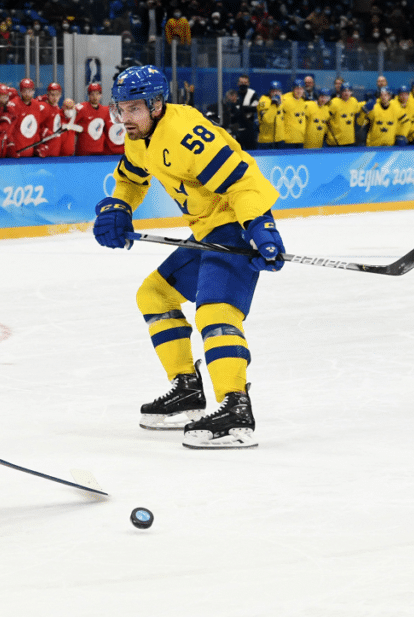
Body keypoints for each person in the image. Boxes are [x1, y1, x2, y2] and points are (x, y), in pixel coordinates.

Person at [91, 66, 284, 449]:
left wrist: (260, 227)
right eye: (119, 109)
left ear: (156, 104)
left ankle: (235, 407)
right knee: (154, 295)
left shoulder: (184, 134)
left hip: (235, 224)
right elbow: (130, 179)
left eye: (132, 109)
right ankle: (187, 389)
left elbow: (241, 180)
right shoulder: (139, 136)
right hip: (207, 232)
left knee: (216, 310)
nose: (124, 119)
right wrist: (118, 206)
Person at [74, 83, 110, 156]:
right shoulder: (81, 108)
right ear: (88, 95)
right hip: (83, 150)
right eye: (92, 94)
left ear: (101, 95)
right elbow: (71, 126)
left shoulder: (105, 110)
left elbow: (107, 131)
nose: (95, 97)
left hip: (100, 150)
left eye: (97, 94)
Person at [325, 82, 362, 147]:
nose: (346, 93)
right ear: (341, 92)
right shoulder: (334, 102)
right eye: (344, 91)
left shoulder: (353, 101)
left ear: (351, 92)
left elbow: (359, 107)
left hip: (349, 140)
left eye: (349, 91)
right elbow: (325, 116)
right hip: (335, 141)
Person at [280, 79, 307, 148]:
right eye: (297, 88)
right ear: (293, 89)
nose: (299, 91)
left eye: (301, 89)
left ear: (303, 90)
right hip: (288, 140)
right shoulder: (284, 99)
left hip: (301, 139)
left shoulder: (303, 101)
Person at [256, 81, 283, 148]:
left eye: (278, 91)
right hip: (266, 140)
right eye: (274, 91)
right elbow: (267, 120)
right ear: (270, 92)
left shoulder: (282, 100)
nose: (276, 93)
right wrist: (274, 105)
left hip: (279, 139)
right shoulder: (264, 101)